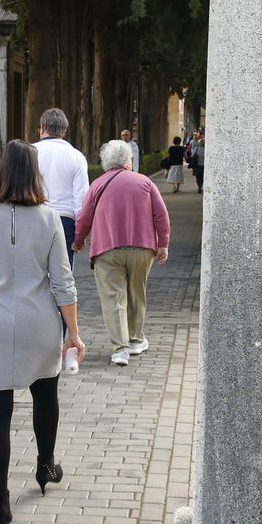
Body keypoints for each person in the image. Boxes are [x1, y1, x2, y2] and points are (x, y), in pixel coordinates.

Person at [0, 140, 85, 524]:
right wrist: (73, 333)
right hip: (39, 324)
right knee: (46, 397)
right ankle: (45, 466)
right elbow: (64, 283)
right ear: (34, 173)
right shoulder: (48, 219)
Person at [73, 140, 170, 366]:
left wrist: (78, 242)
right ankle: (136, 340)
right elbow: (161, 215)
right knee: (137, 293)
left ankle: (120, 349)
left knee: (113, 298)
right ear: (128, 161)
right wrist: (163, 243)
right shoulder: (145, 182)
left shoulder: (98, 184)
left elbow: (84, 217)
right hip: (142, 248)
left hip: (107, 249)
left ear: (105, 162)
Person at [33, 107, 89, 256]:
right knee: (63, 275)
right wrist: (80, 234)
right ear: (64, 131)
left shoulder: (30, 152)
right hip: (66, 221)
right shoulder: (77, 156)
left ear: (42, 128)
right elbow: (82, 199)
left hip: (34, 218)